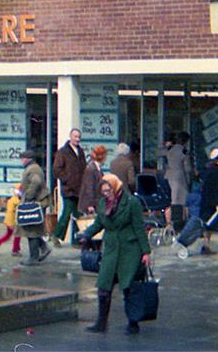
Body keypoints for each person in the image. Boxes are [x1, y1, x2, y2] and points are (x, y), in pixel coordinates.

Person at [78, 174, 151, 335]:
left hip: (129, 250)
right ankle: (101, 323)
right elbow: (99, 223)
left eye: (108, 190)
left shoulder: (132, 203)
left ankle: (133, 323)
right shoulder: (103, 203)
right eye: (103, 191)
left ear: (116, 187)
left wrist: (146, 252)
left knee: (128, 287)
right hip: (111, 250)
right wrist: (86, 235)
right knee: (104, 286)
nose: (105, 194)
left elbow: (139, 228)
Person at [52, 128, 87, 247]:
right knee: (67, 213)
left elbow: (84, 168)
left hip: (79, 189)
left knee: (79, 215)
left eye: (79, 137)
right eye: (75, 137)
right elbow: (57, 169)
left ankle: (77, 240)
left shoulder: (80, 152)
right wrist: (67, 179)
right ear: (71, 137)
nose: (77, 139)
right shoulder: (63, 152)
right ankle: (56, 235)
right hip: (69, 189)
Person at [17, 150, 52, 266]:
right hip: (37, 202)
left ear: (27, 159)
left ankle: (33, 257)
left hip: (36, 202)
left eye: (22, 158)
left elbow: (36, 182)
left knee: (31, 229)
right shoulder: (33, 168)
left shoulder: (33, 169)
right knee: (33, 228)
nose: (21, 160)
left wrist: (28, 197)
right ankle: (44, 248)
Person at [200, 148, 218, 255]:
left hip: (207, 203)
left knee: (208, 226)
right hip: (216, 203)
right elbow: (217, 189)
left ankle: (206, 245)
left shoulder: (209, 170)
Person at [165, 132, 192, 227]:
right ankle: (181, 221)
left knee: (173, 199)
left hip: (169, 175)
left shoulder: (170, 150)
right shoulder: (183, 151)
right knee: (182, 200)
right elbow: (187, 168)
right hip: (180, 177)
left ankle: (169, 221)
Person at [0, 184, 22, 257]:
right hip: (13, 221)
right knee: (17, 235)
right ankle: (15, 250)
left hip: (9, 221)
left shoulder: (11, 199)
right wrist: (13, 223)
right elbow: (12, 212)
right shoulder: (17, 201)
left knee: (8, 235)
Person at [78, 145, 108, 214]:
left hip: (96, 203)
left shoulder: (98, 169)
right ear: (102, 157)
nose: (106, 159)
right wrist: (90, 204)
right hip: (90, 205)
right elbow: (89, 188)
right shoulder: (91, 169)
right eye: (105, 156)